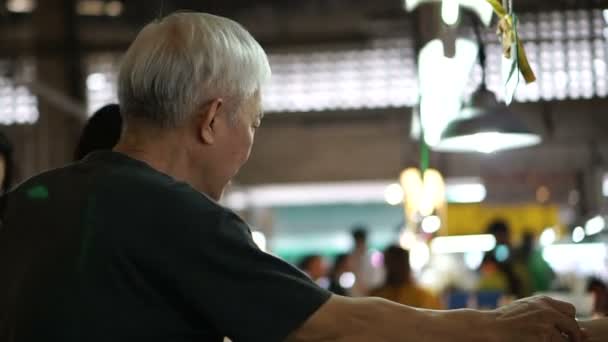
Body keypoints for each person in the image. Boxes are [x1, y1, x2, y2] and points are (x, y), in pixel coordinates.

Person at [0, 12, 587, 342]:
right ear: (211, 121)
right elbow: (334, 325)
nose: (249, 143)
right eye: (251, 121)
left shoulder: (26, 203)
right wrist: (493, 329)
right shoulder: (178, 216)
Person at [370, 245, 442, 309]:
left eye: (398, 263)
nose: (396, 268)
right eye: (393, 263)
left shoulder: (376, 296)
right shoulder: (425, 296)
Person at [349, 225, 383, 296]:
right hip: (356, 294)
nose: (358, 244)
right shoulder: (351, 257)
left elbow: (379, 275)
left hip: (373, 292)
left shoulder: (374, 255)